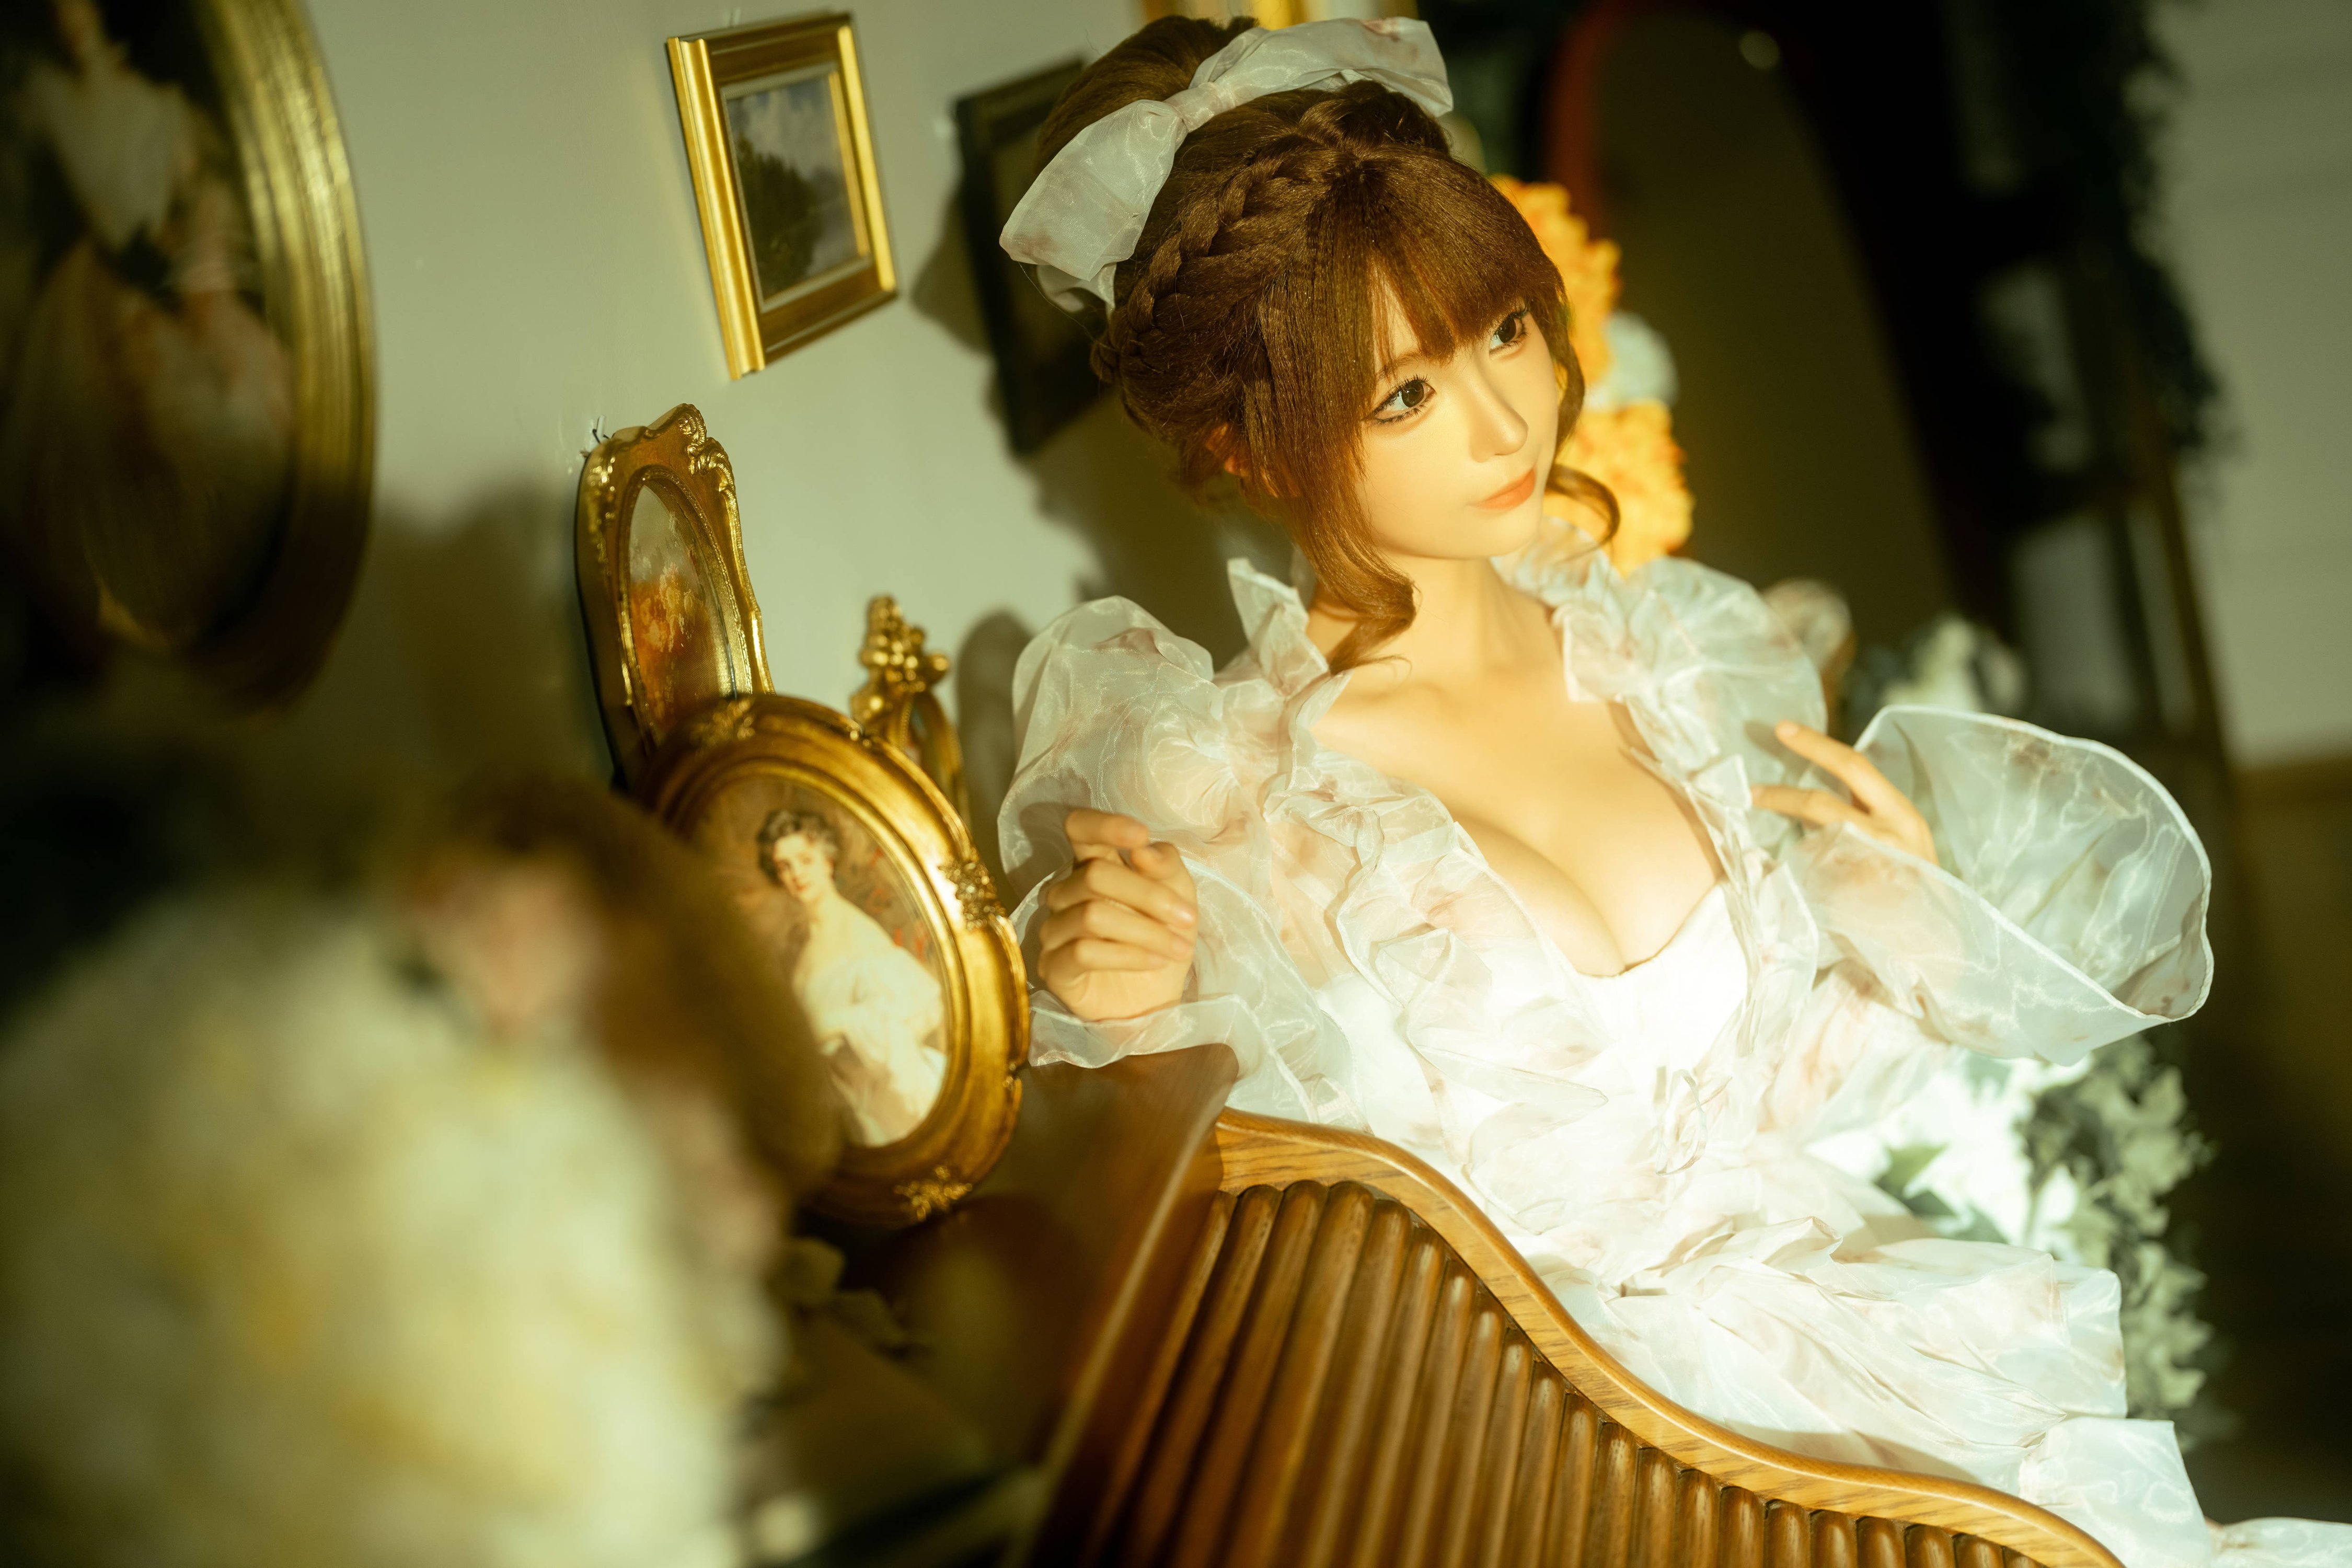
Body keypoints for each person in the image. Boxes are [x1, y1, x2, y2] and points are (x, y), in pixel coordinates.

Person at [995, 17, 2349, 1567]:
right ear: (1248, 448)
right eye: (1403, 396)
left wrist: (1902, 924)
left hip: (1829, 1343)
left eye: (1503, 331)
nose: (1504, 421)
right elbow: (1256, 1244)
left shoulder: (1666, 656)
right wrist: (1118, 1010)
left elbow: (1768, 1106)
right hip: (1557, 1454)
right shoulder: (1234, 795)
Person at [758, 809, 946, 1146]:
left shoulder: (857, 931)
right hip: (837, 1096)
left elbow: (919, 1008)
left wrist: (837, 1023)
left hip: (878, 1103)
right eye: (785, 866)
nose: (797, 874)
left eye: (805, 860)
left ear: (827, 861)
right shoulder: (803, 942)